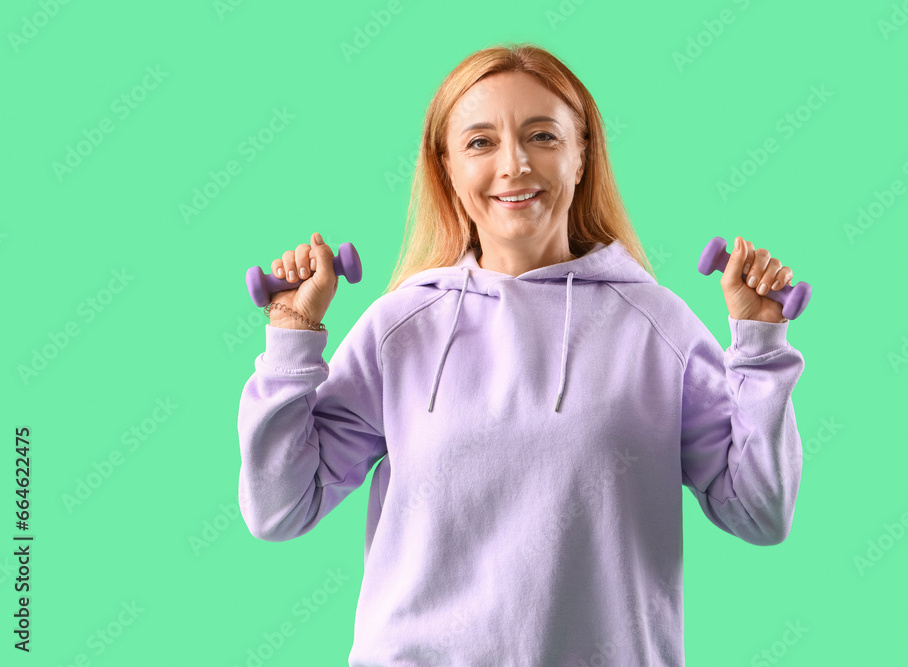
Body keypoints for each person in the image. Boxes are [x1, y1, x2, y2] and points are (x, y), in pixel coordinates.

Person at [237, 42, 805, 666]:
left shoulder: (656, 326)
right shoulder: (401, 327)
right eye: (480, 142)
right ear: (446, 166)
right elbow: (279, 508)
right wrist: (292, 334)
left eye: (542, 135)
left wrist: (758, 350)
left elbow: (759, 513)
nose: (514, 164)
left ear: (582, 153)